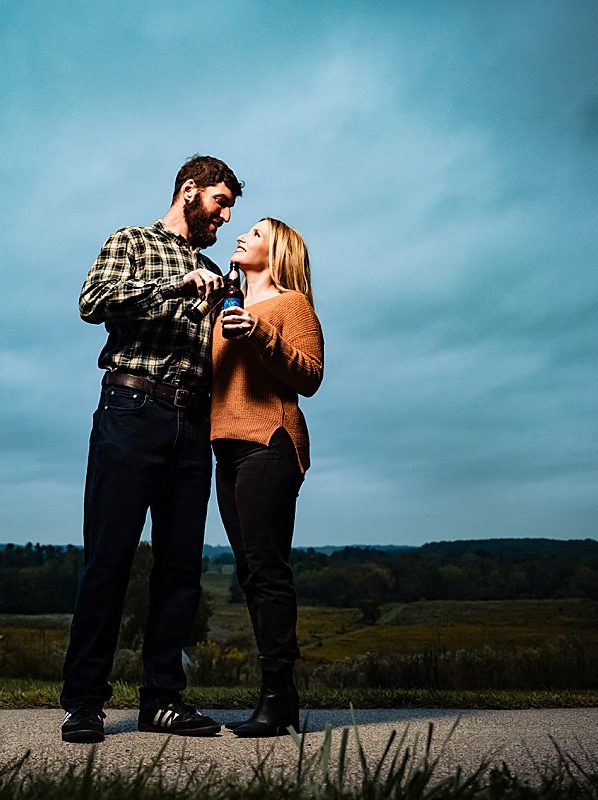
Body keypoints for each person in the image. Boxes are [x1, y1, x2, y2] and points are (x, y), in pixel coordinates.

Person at [61, 155, 244, 744]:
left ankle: (162, 700)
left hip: (193, 422)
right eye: (219, 202)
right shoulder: (132, 240)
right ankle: (84, 703)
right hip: (131, 411)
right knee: (109, 559)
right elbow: (94, 301)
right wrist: (175, 283)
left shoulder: (216, 269)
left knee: (181, 569)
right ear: (189, 191)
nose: (223, 216)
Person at [211, 217, 324, 737]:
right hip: (225, 450)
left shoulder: (290, 304)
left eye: (254, 234)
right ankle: (280, 700)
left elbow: (311, 375)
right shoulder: (222, 307)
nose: (241, 237)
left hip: (270, 443)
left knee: (268, 569)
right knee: (251, 574)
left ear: (277, 251)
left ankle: (278, 699)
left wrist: (261, 335)